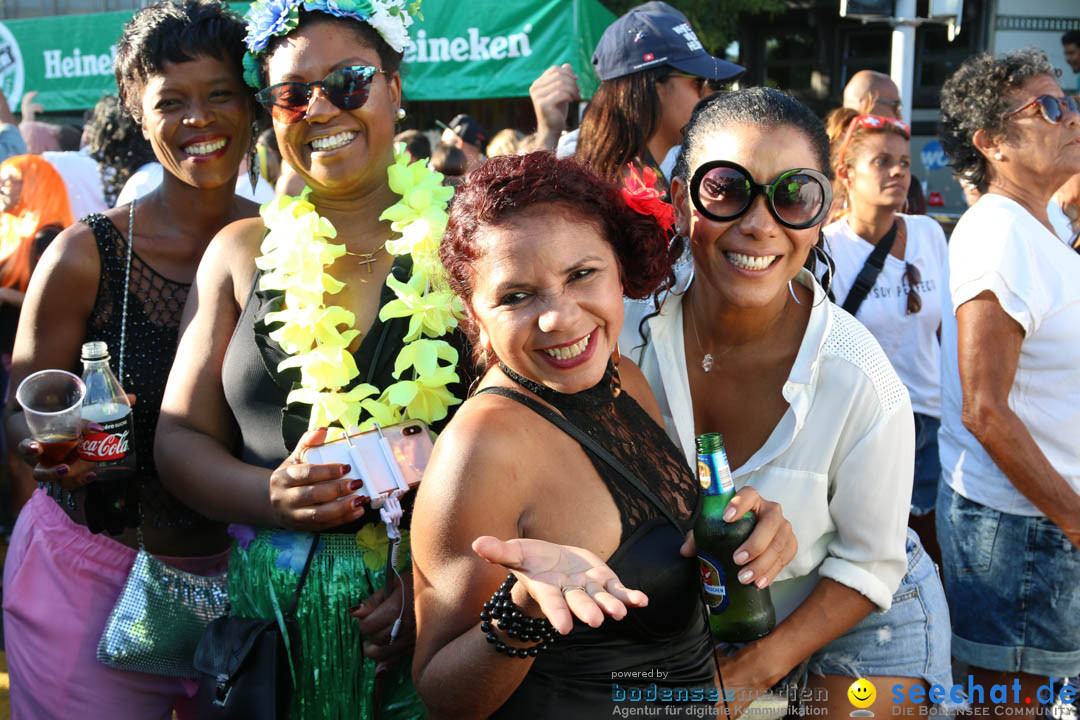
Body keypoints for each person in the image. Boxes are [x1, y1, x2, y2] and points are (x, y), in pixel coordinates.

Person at [412, 150, 795, 719]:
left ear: (620, 267)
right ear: (474, 311)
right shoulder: (481, 450)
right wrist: (524, 609)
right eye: (516, 296)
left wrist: (748, 534)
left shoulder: (624, 376)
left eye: (581, 275)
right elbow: (444, 697)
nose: (560, 318)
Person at [155, 2, 455, 718]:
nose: (320, 108)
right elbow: (177, 438)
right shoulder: (237, 252)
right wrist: (269, 499)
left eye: (348, 82)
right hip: (274, 632)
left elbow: (530, 431)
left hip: (440, 619)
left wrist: (440, 575)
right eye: (292, 93)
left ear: (394, 87)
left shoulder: (473, 242)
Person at [621, 88, 952, 717]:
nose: (759, 223)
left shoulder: (860, 380)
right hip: (697, 626)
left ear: (823, 209)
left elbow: (868, 563)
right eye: (725, 188)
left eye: (793, 195)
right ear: (680, 198)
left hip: (857, 613)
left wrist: (749, 675)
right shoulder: (622, 333)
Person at [1, 2, 258, 717]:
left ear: (252, 103)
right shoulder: (84, 255)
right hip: (90, 578)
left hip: (249, 587)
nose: (198, 120)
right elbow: (25, 413)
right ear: (136, 115)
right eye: (170, 102)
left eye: (219, 94)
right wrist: (50, 448)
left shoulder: (290, 250)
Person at [937, 49, 1080, 710]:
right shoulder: (998, 236)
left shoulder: (1041, 221)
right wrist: (1076, 521)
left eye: (1070, 101)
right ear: (991, 143)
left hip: (1045, 523)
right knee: (1014, 707)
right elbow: (984, 410)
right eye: (1047, 108)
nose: (1069, 116)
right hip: (1024, 532)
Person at [822, 107, 948, 558]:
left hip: (932, 423)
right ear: (846, 174)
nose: (898, 170)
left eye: (905, 162)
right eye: (881, 161)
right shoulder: (827, 248)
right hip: (866, 428)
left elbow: (946, 336)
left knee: (931, 552)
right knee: (874, 551)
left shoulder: (930, 234)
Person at [576, 1, 743, 190]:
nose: (708, 96)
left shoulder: (619, 181)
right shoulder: (612, 197)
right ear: (654, 88)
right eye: (698, 82)